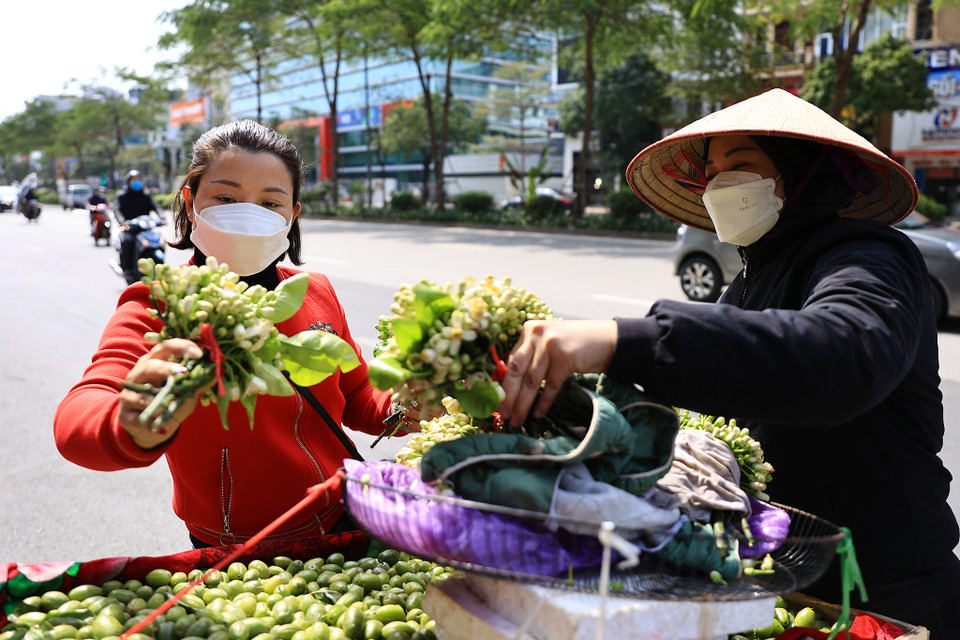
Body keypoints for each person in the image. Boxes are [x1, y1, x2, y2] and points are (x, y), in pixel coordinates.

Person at [497, 89, 960, 634]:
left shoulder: (872, 256)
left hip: (892, 588)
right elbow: (700, 388)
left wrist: (624, 339)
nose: (719, 185)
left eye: (740, 165)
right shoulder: (744, 284)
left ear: (802, 172)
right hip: (786, 573)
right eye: (712, 171)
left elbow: (842, 354)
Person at [54, 120, 410, 548]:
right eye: (225, 198)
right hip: (236, 548)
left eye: (270, 203)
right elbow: (79, 416)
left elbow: (357, 398)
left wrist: (412, 404)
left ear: (293, 213)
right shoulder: (158, 304)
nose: (247, 216)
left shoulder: (315, 291)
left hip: (343, 515)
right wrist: (127, 422)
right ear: (190, 202)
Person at [115, 170, 161, 282]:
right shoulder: (122, 196)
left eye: (138, 180)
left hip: (145, 228)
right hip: (130, 229)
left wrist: (162, 218)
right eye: (134, 180)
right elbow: (117, 210)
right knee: (128, 242)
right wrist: (122, 222)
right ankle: (127, 270)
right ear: (128, 181)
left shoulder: (145, 195)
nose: (137, 182)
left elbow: (156, 207)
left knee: (159, 241)